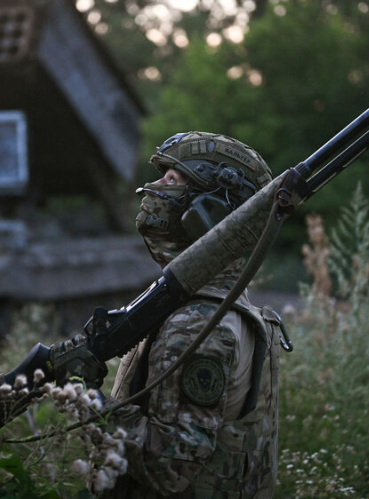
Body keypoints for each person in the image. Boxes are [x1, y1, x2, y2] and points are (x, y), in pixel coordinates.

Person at [102, 131, 284, 498]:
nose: (153, 188)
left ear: (209, 213)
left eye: (171, 180)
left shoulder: (199, 324)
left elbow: (168, 469)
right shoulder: (217, 305)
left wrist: (88, 403)